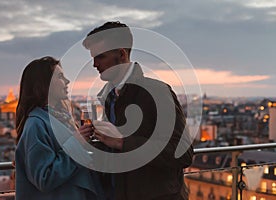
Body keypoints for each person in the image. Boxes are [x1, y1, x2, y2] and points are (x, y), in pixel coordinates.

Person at [82, 21, 194, 200]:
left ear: (121, 54)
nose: (95, 64)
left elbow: (183, 154)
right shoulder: (106, 97)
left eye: (100, 56)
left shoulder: (157, 92)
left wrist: (122, 142)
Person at [15, 56, 105, 200]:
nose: (67, 81)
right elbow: (44, 178)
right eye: (60, 77)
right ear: (45, 84)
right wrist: (77, 143)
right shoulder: (36, 124)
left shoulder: (58, 118)